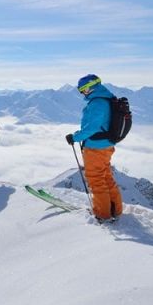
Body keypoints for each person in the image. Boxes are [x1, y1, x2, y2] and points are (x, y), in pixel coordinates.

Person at [66, 74, 124, 222]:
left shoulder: (98, 103)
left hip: (95, 148)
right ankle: (115, 209)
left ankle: (102, 214)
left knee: (96, 179)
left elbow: (92, 127)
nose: (83, 94)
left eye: (83, 90)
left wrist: (75, 137)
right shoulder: (106, 99)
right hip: (106, 145)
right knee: (105, 176)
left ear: (90, 87)